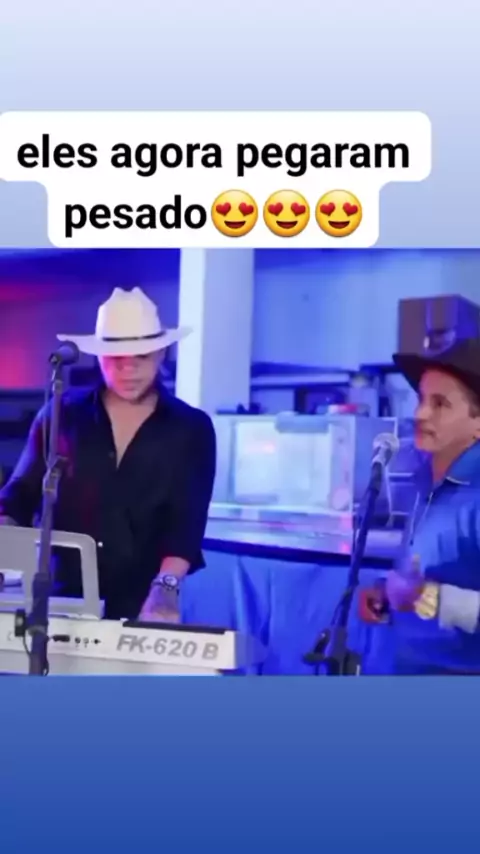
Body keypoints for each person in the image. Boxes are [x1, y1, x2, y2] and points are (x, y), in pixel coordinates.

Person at [0, 287, 216, 622]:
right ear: (98, 357)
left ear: (161, 353)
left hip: (144, 601)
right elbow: (19, 495)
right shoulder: (61, 413)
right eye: (116, 359)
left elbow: (186, 525)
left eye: (141, 357)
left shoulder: (191, 428)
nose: (129, 370)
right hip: (60, 598)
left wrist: (166, 588)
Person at [363, 338, 480, 675]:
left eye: (440, 404)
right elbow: (421, 571)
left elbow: (425, 593)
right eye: (421, 400)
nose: (420, 414)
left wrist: (429, 599)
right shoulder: (425, 481)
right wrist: (385, 592)